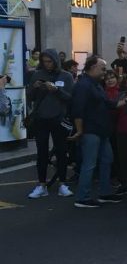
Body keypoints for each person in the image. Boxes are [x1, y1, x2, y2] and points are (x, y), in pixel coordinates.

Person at [69, 56, 127, 208]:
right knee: (90, 163)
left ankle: (104, 192)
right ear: (92, 67)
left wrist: (126, 101)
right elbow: (77, 109)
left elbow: (108, 104)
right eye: (102, 68)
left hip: (102, 130)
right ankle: (82, 197)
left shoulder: (95, 84)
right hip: (91, 130)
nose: (105, 72)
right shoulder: (83, 85)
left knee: (107, 160)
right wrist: (79, 130)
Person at [26, 49, 75, 199]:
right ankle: (41, 185)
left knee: (61, 152)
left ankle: (62, 184)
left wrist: (56, 90)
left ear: (55, 61)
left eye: (50, 61)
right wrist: (34, 87)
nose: (47, 64)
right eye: (44, 61)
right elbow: (29, 97)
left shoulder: (66, 76)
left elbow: (70, 97)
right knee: (41, 152)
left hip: (59, 118)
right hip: (41, 118)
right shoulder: (38, 74)